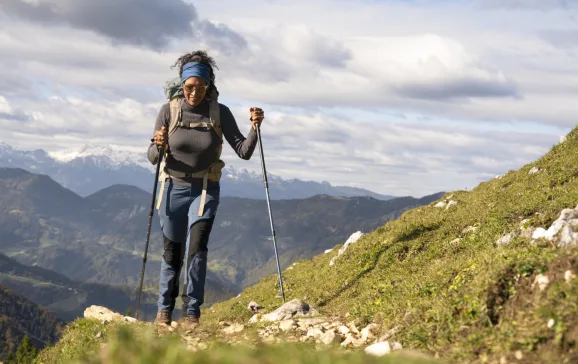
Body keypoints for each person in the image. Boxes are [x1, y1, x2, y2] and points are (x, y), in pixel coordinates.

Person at [147, 50, 264, 330]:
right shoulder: (169, 110)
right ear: (181, 85)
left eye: (200, 87)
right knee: (171, 252)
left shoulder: (219, 112)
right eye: (189, 86)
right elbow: (153, 156)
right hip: (172, 187)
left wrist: (255, 129)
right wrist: (158, 143)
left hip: (205, 188)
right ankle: (164, 311)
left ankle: (191, 313)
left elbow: (244, 151)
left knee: (197, 249)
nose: (194, 92)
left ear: (209, 86)